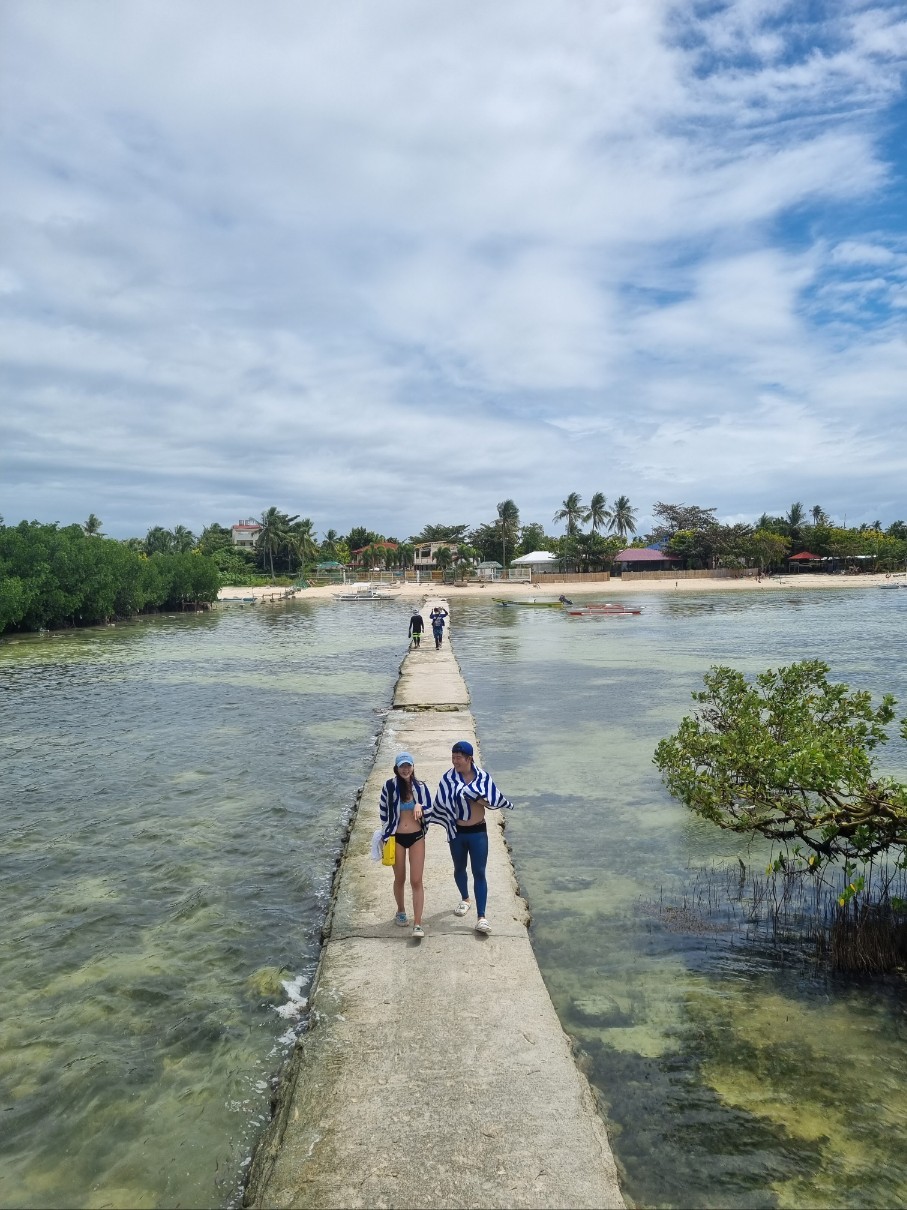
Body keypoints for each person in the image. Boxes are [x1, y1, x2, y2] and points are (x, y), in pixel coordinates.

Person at [433, 740, 513, 935]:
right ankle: (465, 899)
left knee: (479, 872)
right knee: (459, 868)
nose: (455, 761)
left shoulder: (483, 777)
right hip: (457, 833)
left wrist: (474, 796)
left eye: (458, 758)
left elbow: (493, 801)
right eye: (453, 757)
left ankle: (482, 917)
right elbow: (440, 802)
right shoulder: (447, 778)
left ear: (469, 759)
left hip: (478, 832)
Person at [379, 752, 433, 938]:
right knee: (399, 878)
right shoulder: (389, 786)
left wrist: (421, 807)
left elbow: (431, 808)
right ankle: (401, 911)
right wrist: (387, 835)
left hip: (417, 837)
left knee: (416, 880)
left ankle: (418, 924)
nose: (405, 769)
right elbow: (383, 811)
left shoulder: (421, 787)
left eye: (408, 765)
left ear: (413, 767)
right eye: (402, 766)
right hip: (397, 838)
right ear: (396, 768)